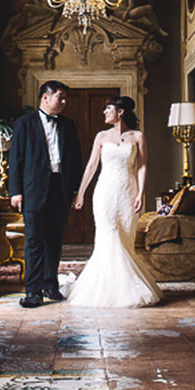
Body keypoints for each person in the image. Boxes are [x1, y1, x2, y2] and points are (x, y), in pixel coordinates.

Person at [64, 96, 162, 309]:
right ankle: (103, 291)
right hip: (105, 192)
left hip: (128, 191)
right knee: (108, 236)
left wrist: (141, 193)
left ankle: (125, 289)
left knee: (125, 239)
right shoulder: (101, 137)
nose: (104, 113)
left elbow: (143, 166)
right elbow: (91, 166)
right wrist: (80, 193)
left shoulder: (137, 137)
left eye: (108, 109)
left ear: (121, 112)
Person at [8, 80, 83, 308]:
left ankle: (50, 285)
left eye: (64, 98)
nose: (63, 102)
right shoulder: (24, 124)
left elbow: (75, 160)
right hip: (33, 191)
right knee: (34, 242)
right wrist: (16, 192)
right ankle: (33, 292)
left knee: (54, 241)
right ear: (45, 98)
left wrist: (75, 190)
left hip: (59, 188)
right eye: (60, 97)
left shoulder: (68, 125)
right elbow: (15, 159)